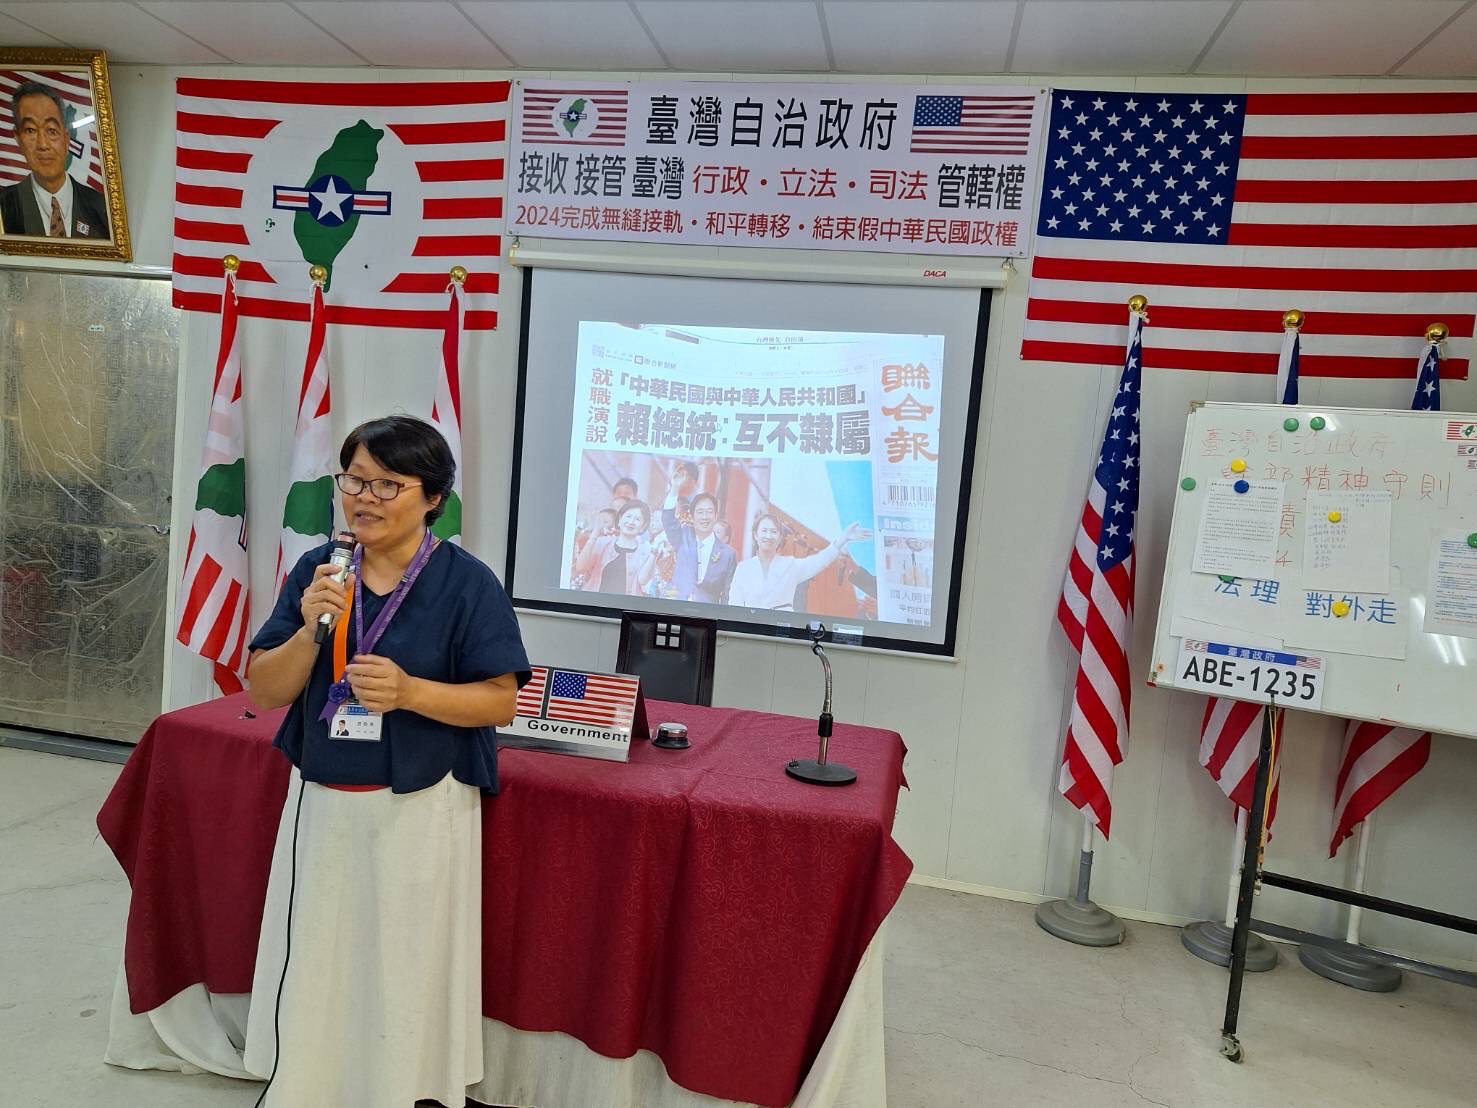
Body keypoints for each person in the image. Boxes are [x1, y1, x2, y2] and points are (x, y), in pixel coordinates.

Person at [243, 415, 530, 1108]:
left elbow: (499, 700)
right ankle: (311, 1083)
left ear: (433, 498)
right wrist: (309, 631)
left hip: (421, 801)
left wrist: (410, 693)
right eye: (354, 481)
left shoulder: (466, 583)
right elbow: (265, 689)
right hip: (323, 793)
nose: (364, 499)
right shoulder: (320, 571)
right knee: (319, 950)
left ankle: (399, 1087)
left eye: (386, 485)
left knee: (402, 958)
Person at [0, 81, 109, 239]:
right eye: (30, 130)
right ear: (18, 138)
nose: (43, 145)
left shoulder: (102, 208)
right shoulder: (4, 206)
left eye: (51, 131)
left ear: (66, 138)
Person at [727, 512, 873, 611]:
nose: (769, 536)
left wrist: (843, 539)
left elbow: (820, 560)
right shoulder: (743, 568)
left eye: (774, 532)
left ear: (780, 537)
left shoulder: (790, 565)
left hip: (781, 632)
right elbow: (734, 607)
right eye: (764, 531)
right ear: (755, 535)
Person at [661, 463, 736, 605]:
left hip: (707, 613)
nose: (704, 517)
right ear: (692, 515)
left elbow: (727, 594)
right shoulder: (682, 536)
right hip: (676, 606)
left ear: (715, 516)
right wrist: (675, 488)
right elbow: (668, 519)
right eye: (700, 512)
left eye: (709, 512)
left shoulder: (728, 554)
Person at [572, 498, 656, 595]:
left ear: (643, 526)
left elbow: (643, 581)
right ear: (620, 519)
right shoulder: (602, 543)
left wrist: (654, 555)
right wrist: (594, 534)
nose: (631, 522)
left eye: (637, 519)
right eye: (628, 516)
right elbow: (580, 567)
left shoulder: (646, 551)